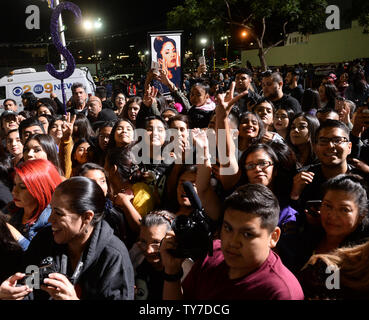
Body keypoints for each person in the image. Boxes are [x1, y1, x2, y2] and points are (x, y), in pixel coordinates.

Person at [160, 183, 304, 300]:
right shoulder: (212, 255)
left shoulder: (281, 292)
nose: (233, 242)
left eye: (247, 234)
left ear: (273, 237)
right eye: (228, 228)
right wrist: (172, 271)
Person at [0, 176, 135, 300]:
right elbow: (29, 287)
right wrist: (11, 293)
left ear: (87, 217)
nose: (50, 219)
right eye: (51, 209)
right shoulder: (44, 240)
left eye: (59, 213)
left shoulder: (113, 256)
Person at [278, 174, 369, 276]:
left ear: (361, 214)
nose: (333, 216)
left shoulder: (362, 257)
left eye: (344, 209)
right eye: (328, 206)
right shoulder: (307, 238)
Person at [129, 210, 193, 300]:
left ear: (173, 240)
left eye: (156, 242)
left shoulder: (187, 271)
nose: (148, 250)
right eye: (143, 241)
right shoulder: (136, 255)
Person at [2, 159, 62, 251]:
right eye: (14, 184)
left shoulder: (51, 220)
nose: (14, 192)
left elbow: (38, 257)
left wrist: (11, 231)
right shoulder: (12, 208)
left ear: (41, 190)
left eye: (22, 187)